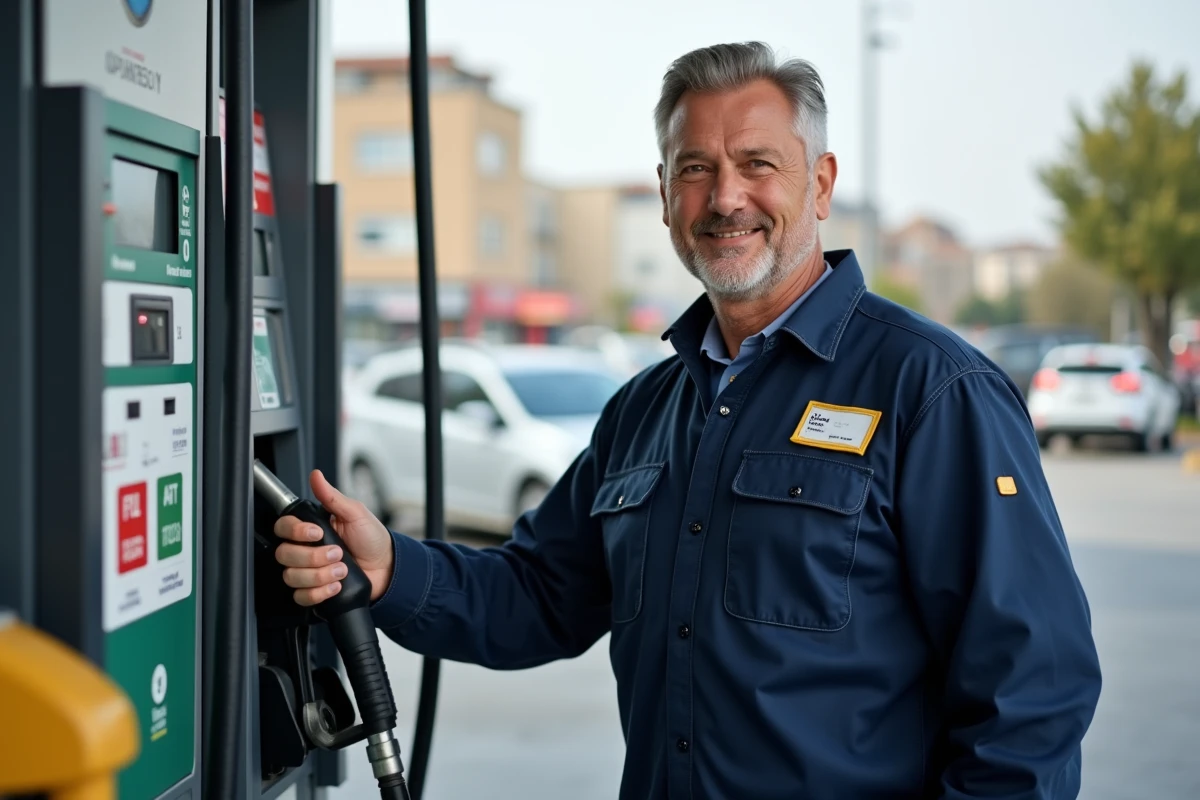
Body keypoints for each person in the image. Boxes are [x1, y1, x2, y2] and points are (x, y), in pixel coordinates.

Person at [276, 42, 1102, 799]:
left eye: (757, 164)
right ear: (668, 196)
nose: (726, 198)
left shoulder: (933, 390)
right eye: (695, 169)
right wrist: (391, 568)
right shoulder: (644, 410)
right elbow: (539, 594)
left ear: (820, 184)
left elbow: (1030, 695)